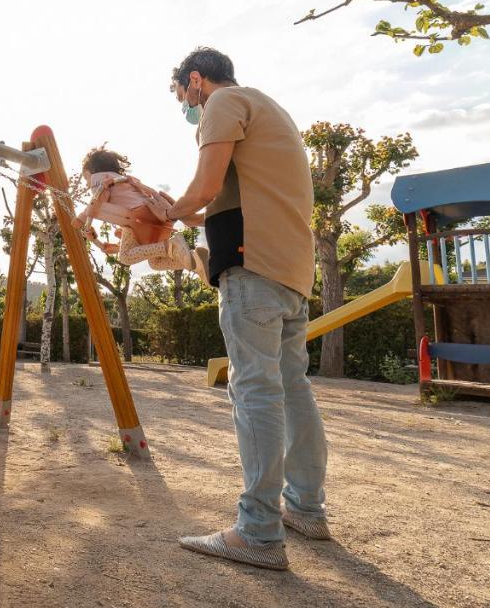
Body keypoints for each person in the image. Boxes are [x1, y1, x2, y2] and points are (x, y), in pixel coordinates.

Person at [157, 47, 327, 571]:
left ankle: (257, 531)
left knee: (254, 387)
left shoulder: (222, 104)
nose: (186, 107)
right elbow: (223, 198)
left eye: (183, 96)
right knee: (292, 386)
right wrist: (187, 222)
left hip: (252, 268)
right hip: (291, 268)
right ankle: (306, 509)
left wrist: (162, 210)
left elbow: (203, 188)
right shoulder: (267, 108)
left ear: (195, 80)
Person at [72, 145, 207, 280]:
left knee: (125, 257)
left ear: (92, 171)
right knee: (155, 262)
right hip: (154, 216)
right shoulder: (125, 180)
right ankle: (197, 263)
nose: (86, 184)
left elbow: (96, 203)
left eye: (86, 179)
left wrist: (81, 219)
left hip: (137, 218)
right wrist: (112, 245)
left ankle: (172, 246)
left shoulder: (100, 180)